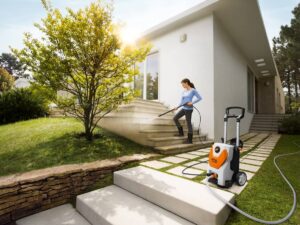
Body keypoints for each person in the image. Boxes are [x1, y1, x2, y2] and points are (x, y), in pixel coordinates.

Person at [173, 78, 202, 144]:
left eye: (183, 84)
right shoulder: (184, 91)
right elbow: (182, 101)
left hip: (189, 109)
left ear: (186, 83)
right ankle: (181, 133)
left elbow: (199, 98)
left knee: (188, 123)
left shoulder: (193, 90)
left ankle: (190, 140)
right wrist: (177, 107)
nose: (182, 86)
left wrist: (192, 102)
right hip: (183, 108)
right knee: (175, 118)